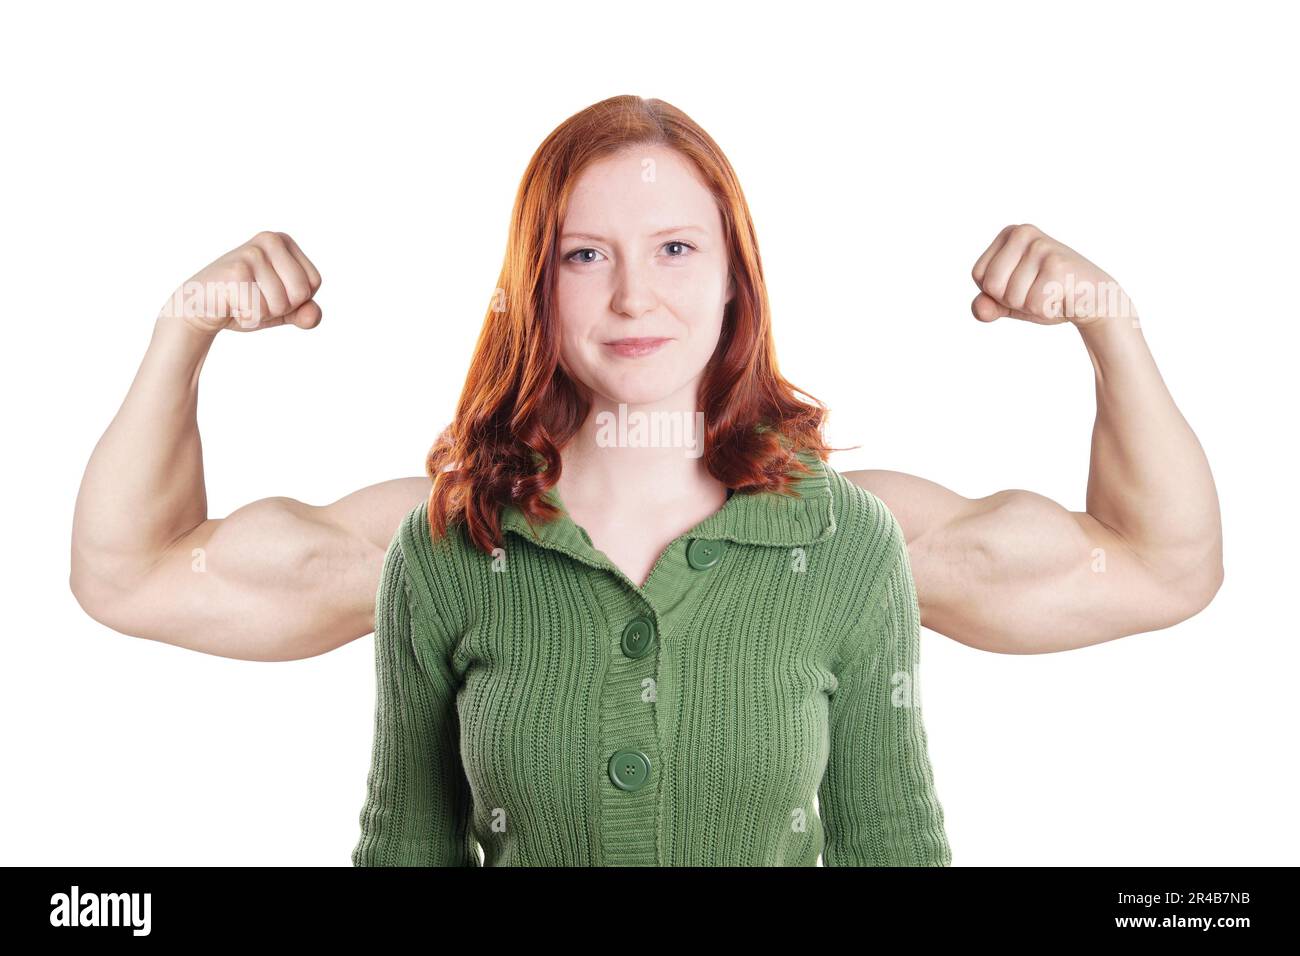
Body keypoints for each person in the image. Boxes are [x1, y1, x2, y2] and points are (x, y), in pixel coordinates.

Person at [69, 95, 1223, 865]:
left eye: (676, 249)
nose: (633, 296)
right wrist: (183, 334)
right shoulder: (442, 540)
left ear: (734, 284)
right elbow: (130, 574)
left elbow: (1164, 566)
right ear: (535, 284)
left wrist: (1109, 329)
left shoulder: (851, 540)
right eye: (585, 253)